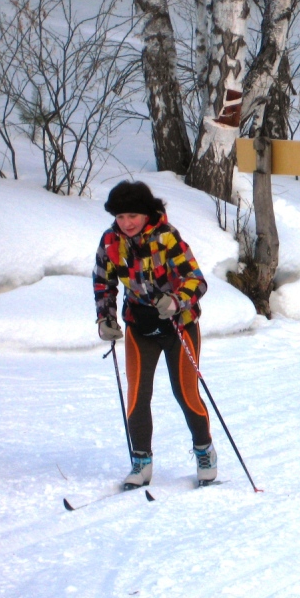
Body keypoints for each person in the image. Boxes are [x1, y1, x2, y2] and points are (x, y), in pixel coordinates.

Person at [93, 181, 216, 489]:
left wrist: (175, 300)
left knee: (185, 393)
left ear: (147, 214)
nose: (127, 223)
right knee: (137, 395)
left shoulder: (166, 237)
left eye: (132, 215)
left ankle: (204, 451)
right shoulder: (111, 241)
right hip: (140, 325)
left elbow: (196, 280)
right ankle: (141, 461)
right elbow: (102, 281)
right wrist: (105, 317)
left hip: (178, 325)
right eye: (120, 217)